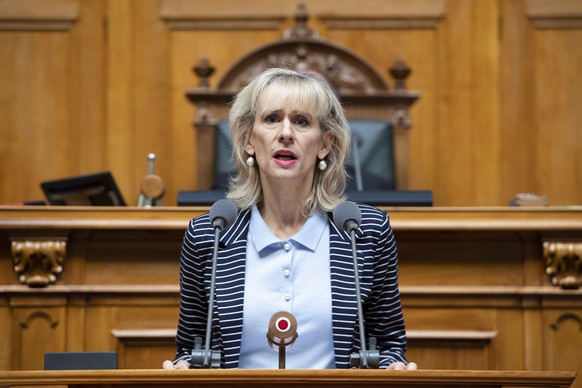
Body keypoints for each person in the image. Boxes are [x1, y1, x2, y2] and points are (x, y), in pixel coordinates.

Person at [163, 67, 416, 370]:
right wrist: (184, 367)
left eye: (301, 121)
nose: (285, 133)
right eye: (271, 119)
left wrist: (393, 368)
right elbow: (192, 349)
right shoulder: (210, 236)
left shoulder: (364, 232)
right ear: (248, 141)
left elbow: (388, 346)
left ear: (325, 144)